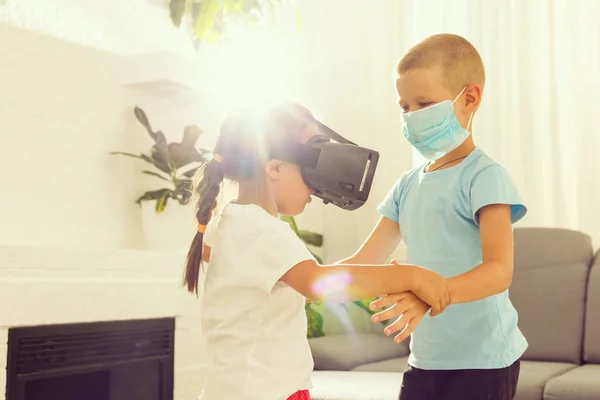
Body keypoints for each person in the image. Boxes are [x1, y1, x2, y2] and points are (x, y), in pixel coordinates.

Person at [182, 100, 451, 400]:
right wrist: (411, 277)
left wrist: (396, 218)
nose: (317, 183)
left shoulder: (228, 223)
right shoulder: (264, 232)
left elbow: (324, 278)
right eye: (315, 158)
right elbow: (321, 285)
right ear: (274, 167)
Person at [339, 34, 527, 400]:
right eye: (404, 106)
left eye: (423, 103)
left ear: (469, 98)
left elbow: (499, 271)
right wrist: (296, 286)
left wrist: (431, 295)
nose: (411, 117)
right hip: (426, 360)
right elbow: (363, 263)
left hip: (484, 362)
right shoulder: (407, 185)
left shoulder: (484, 177)